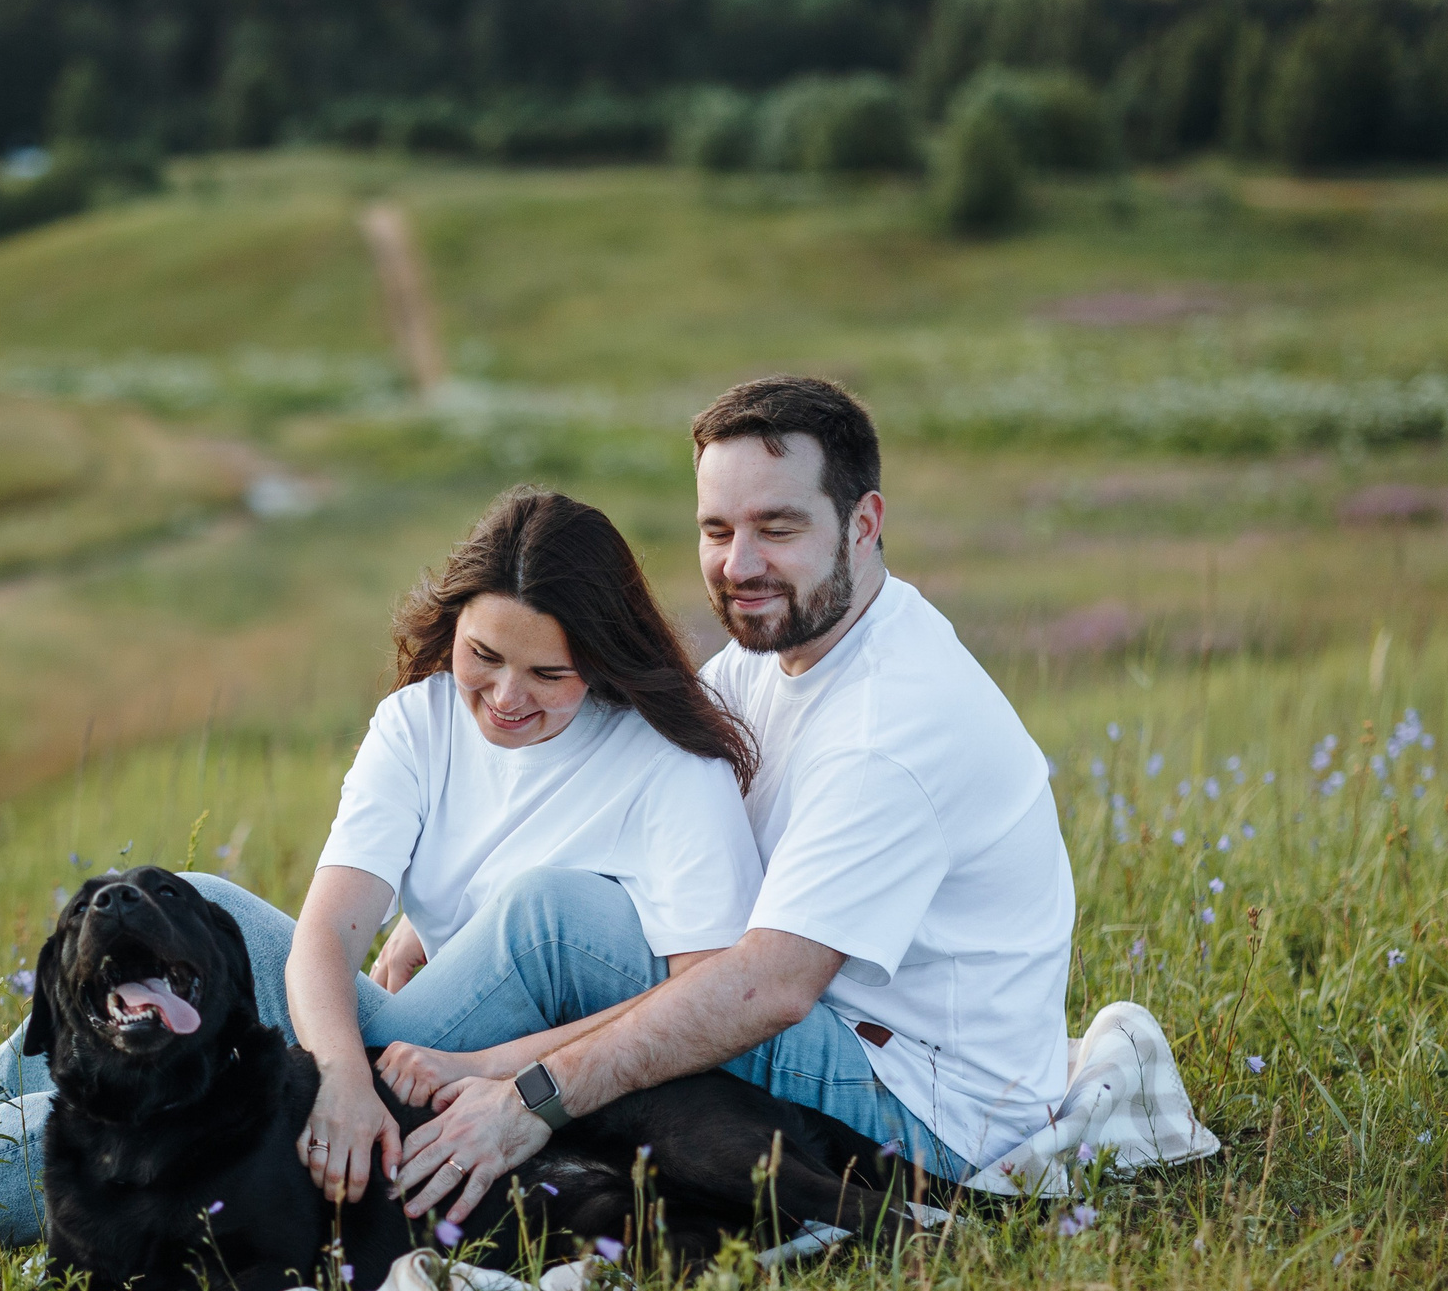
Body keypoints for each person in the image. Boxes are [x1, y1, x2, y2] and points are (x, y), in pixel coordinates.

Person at [0, 487, 768, 1287]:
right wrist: (344, 1073)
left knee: (185, 1056)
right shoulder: (418, 723)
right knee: (186, 911)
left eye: (548, 675)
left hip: (527, 1073)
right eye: (481, 658)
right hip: (403, 1050)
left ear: (606, 658)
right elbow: (328, 933)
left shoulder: (667, 768)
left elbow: (699, 1002)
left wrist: (499, 1073)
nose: (504, 698)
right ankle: (2, 1120)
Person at [382, 374, 1076, 1225]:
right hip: (847, 1034)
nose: (739, 566)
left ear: (863, 524)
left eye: (777, 529)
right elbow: (619, 786)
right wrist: (433, 915)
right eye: (717, 530)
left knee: (554, 923)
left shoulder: (888, 728)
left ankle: (349, 1083)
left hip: (933, 1109)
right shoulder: (777, 648)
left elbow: (770, 987)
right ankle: (367, 1061)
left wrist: (529, 1092)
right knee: (548, 907)